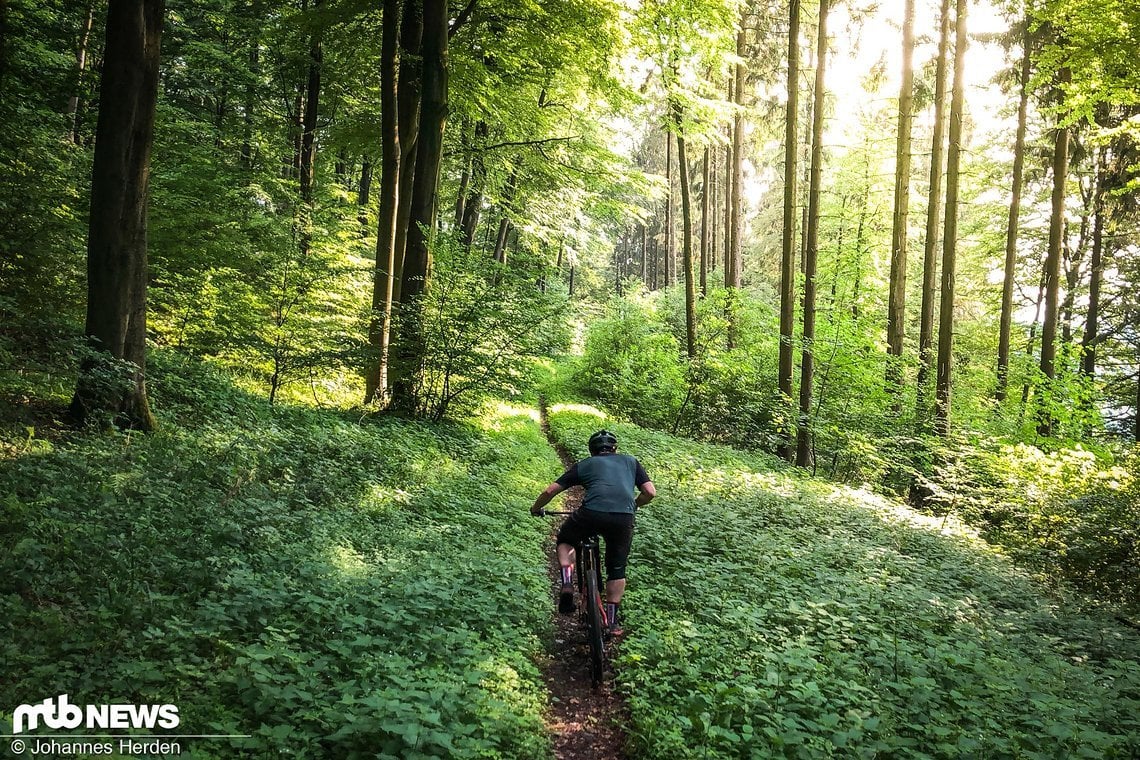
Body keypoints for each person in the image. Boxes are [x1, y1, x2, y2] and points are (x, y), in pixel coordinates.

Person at [530, 429, 655, 634]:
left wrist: (536, 509)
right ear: (615, 449)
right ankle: (612, 623)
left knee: (566, 539)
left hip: (591, 514)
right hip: (623, 518)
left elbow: (550, 491)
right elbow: (650, 492)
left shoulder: (586, 464)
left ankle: (568, 582)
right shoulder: (631, 462)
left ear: (592, 450)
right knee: (617, 568)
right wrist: (633, 505)